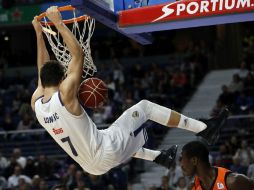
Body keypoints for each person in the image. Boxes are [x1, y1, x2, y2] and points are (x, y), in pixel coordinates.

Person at [31, 6, 228, 175]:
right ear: (62, 79)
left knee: (113, 133)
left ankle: (159, 157)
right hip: (106, 151)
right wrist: (58, 23)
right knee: (145, 108)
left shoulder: (37, 104)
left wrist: (39, 34)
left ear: (43, 81)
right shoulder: (64, 96)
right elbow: (77, 55)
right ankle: (204, 129)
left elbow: (42, 70)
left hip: (90, 166)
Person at [179, 141, 254, 190]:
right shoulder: (192, 187)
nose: (181, 165)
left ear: (194, 160)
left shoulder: (233, 182)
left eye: (182, 159)